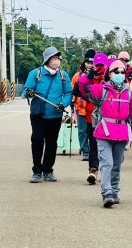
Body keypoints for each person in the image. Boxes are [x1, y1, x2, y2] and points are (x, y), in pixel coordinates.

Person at [78, 58, 132, 208]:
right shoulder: (101, 90)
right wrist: (90, 74)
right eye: (116, 71)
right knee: (107, 163)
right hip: (104, 133)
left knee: (116, 165)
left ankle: (114, 191)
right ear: (109, 74)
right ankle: (107, 193)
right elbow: (83, 87)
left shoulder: (129, 94)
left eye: (122, 72)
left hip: (121, 134)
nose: (119, 74)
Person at [23, 46, 72, 183]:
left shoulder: (63, 76)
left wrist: (63, 104)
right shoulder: (35, 73)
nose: (57, 61)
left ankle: (48, 170)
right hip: (38, 114)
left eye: (58, 58)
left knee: (51, 143)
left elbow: (68, 93)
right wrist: (29, 92)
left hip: (55, 115)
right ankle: (37, 171)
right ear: (47, 60)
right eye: (54, 58)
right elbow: (27, 90)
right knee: (37, 140)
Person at [76, 53, 107, 185]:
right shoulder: (87, 76)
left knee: (106, 147)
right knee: (93, 145)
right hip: (91, 117)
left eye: (102, 65)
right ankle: (93, 170)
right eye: (97, 65)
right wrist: (88, 77)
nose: (99, 68)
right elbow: (77, 91)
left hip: (108, 118)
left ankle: (106, 172)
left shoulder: (111, 78)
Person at [72, 49, 96, 161]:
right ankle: (85, 150)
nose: (90, 65)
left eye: (92, 63)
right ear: (84, 63)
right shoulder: (77, 76)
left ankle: (92, 150)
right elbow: (72, 90)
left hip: (93, 108)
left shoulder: (96, 75)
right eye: (88, 62)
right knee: (82, 130)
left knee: (92, 130)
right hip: (80, 107)